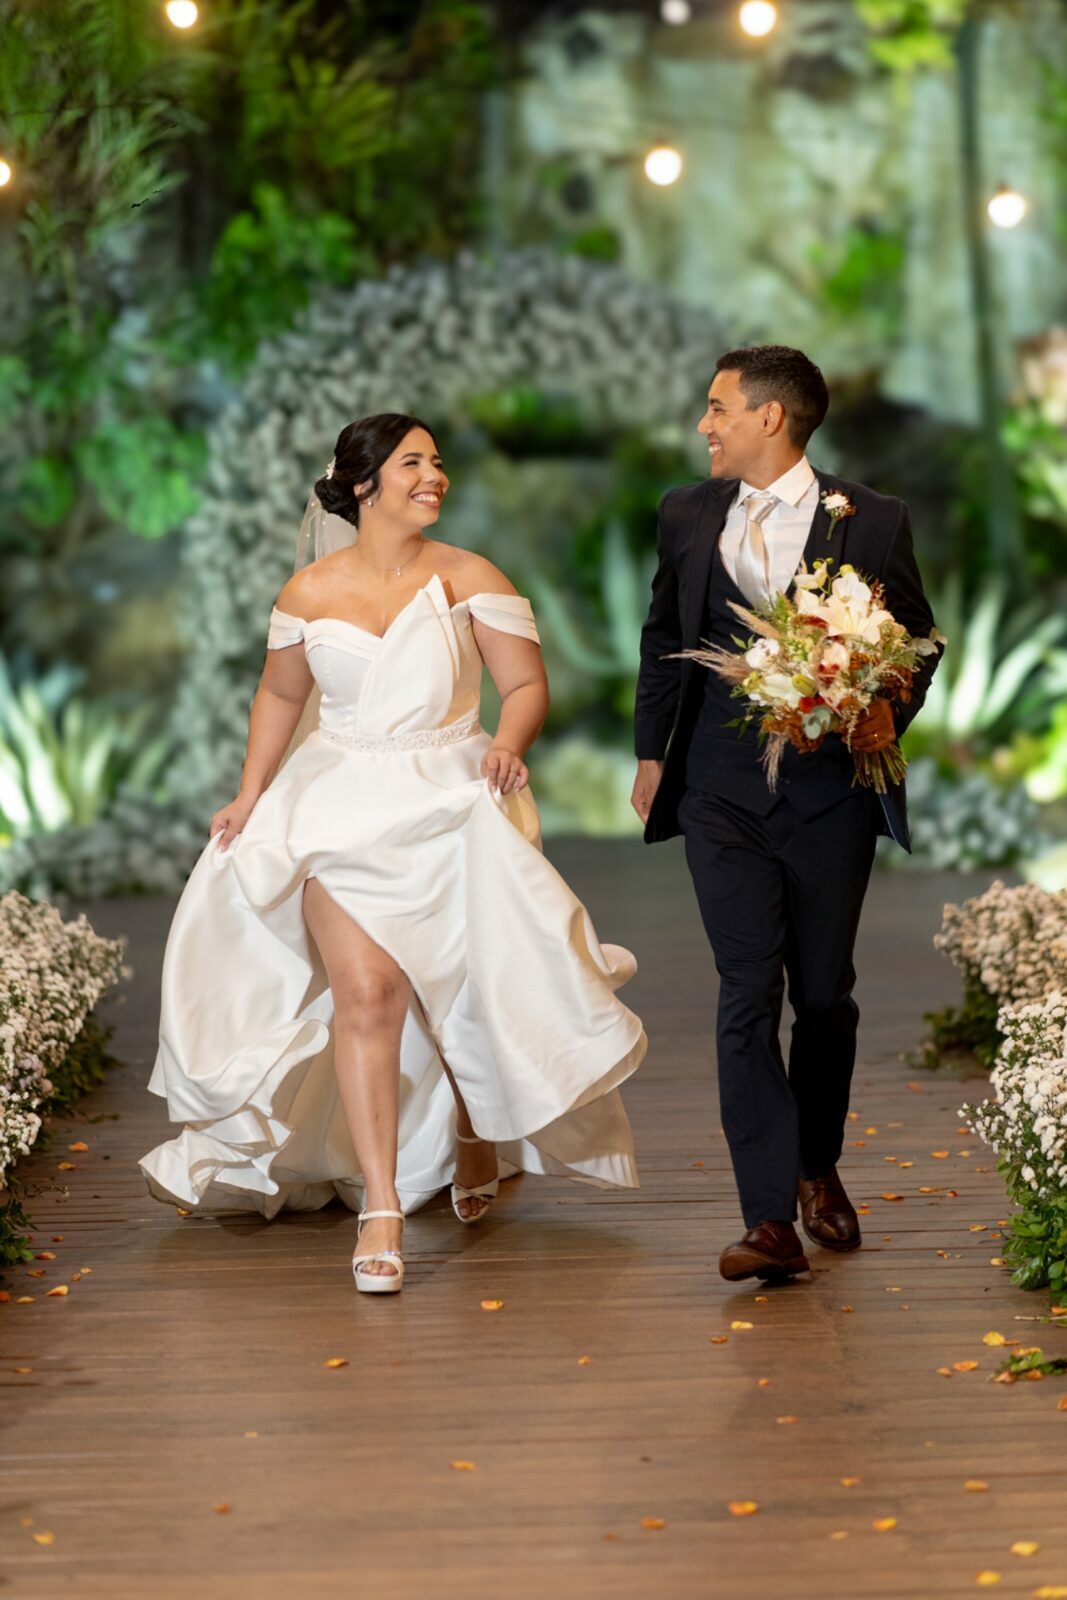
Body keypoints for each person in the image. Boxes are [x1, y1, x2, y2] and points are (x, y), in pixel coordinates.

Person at [141, 412, 646, 1294]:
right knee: (368, 995)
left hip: (452, 806)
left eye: (437, 462)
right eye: (413, 463)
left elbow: (525, 682)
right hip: (334, 808)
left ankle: (473, 1128)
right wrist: (251, 792)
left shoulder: (471, 577)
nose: (434, 477)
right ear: (362, 483)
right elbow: (279, 695)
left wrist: (509, 742)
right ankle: (381, 1206)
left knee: (459, 992)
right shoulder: (308, 591)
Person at [632, 346, 940, 1284]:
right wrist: (651, 754)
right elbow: (662, 636)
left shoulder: (871, 519)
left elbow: (919, 641)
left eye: (717, 407)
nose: (704, 424)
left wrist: (887, 707)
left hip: (828, 793)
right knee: (745, 989)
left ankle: (815, 1164)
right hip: (716, 788)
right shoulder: (685, 512)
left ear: (770, 417)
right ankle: (766, 1219)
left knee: (823, 994)